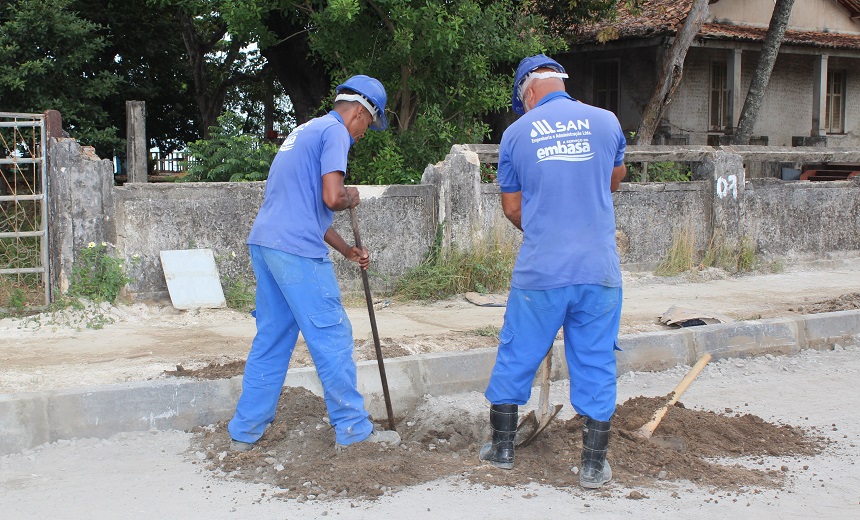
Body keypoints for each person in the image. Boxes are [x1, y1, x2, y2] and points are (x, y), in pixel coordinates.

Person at [228, 75, 401, 451]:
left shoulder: (303, 132)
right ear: (358, 112)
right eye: (367, 125)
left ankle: (245, 432)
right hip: (296, 252)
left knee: (272, 340)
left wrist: (346, 250)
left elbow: (306, 210)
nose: (362, 134)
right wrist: (351, 196)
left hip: (267, 244)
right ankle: (355, 432)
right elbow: (332, 197)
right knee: (332, 337)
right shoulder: (336, 132)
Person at [479, 54, 627, 490]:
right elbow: (612, 181)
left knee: (517, 353)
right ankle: (593, 466)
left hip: (541, 271)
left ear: (527, 92)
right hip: (599, 271)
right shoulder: (607, 121)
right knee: (596, 360)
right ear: (560, 82)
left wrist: (545, 227)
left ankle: (502, 450)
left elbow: (511, 207)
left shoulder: (515, 134)